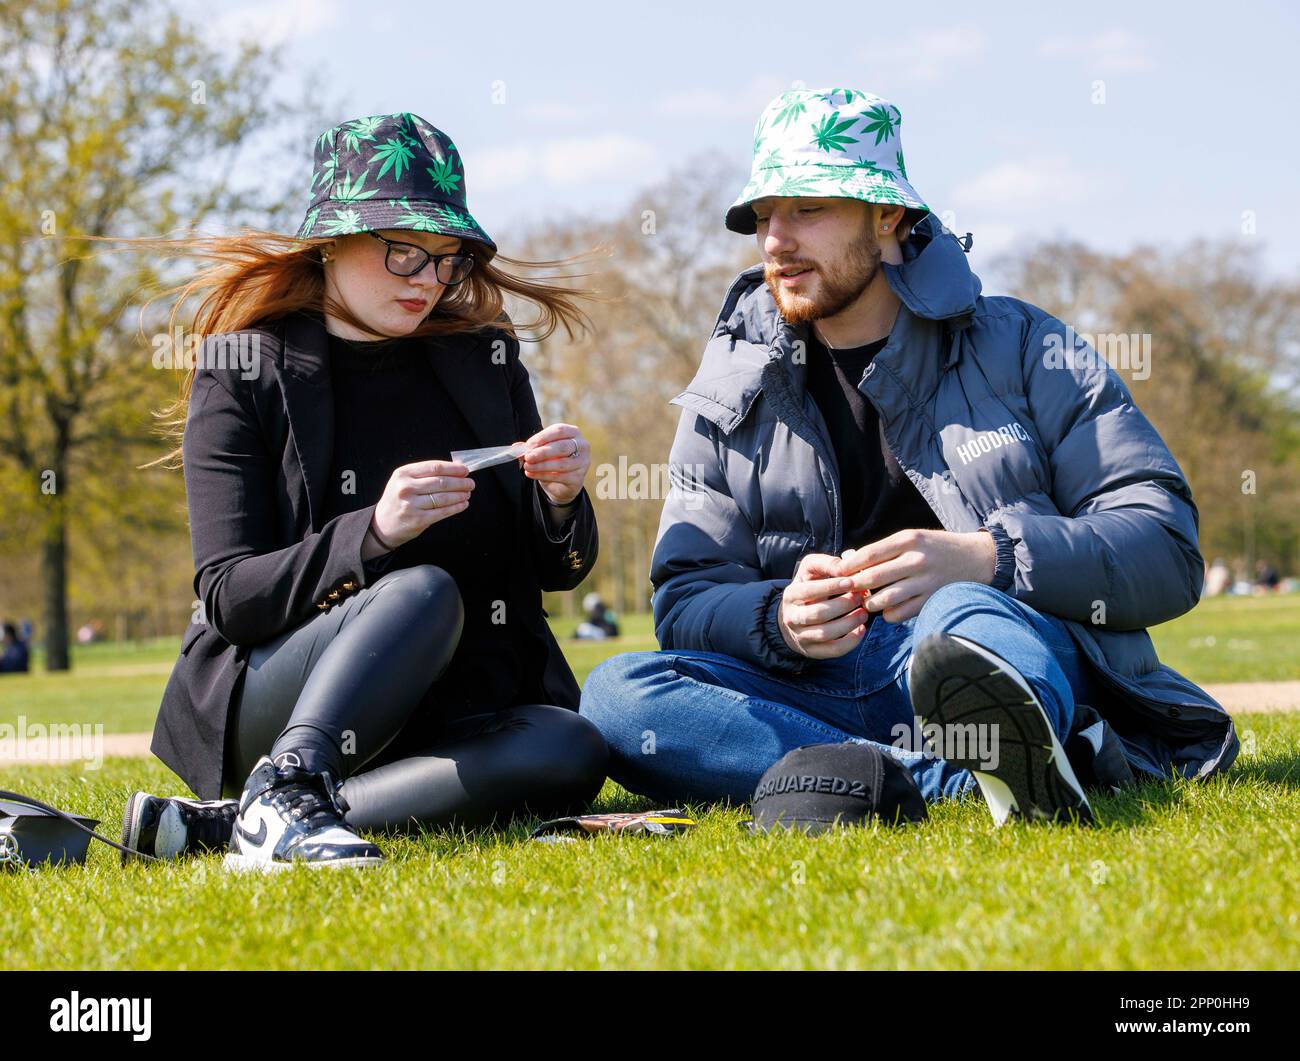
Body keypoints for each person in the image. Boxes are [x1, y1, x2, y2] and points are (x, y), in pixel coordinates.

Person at [580, 87, 1239, 826]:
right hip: (824, 683)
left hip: (1001, 646)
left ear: (888, 216)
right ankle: (948, 778)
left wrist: (987, 559)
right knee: (614, 694)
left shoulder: (1026, 347)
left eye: (809, 209)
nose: (775, 240)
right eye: (765, 216)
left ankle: (1006, 738)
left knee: (958, 612)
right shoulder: (728, 389)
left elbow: (1166, 544)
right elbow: (685, 599)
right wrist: (778, 618)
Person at [121, 112, 608, 871]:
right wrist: (372, 533)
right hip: (280, 692)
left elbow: (556, 571)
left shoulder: (483, 358)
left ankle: (243, 825)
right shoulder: (244, 368)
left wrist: (562, 500)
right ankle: (287, 780)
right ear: (332, 241)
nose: (429, 281)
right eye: (405, 253)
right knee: (420, 592)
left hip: (455, 705)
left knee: (570, 745)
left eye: (448, 260)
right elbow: (230, 594)